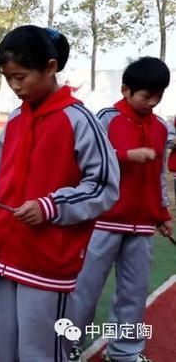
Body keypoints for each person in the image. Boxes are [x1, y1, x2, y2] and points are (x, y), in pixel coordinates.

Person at [0, 25, 120, 362]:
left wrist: (50, 206)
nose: (15, 86)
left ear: (50, 67)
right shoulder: (15, 120)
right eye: (8, 78)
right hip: (4, 258)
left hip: (48, 266)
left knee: (42, 353)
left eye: (21, 76)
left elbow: (103, 186)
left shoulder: (79, 120)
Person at [70, 57, 173, 362]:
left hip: (141, 226)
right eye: (146, 96)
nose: (152, 102)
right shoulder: (106, 118)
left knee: (133, 294)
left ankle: (125, 351)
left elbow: (158, 176)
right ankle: (66, 345)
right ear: (126, 90)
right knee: (83, 290)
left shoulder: (160, 127)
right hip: (103, 221)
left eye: (159, 96)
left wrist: (162, 213)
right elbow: (85, 160)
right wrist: (127, 155)